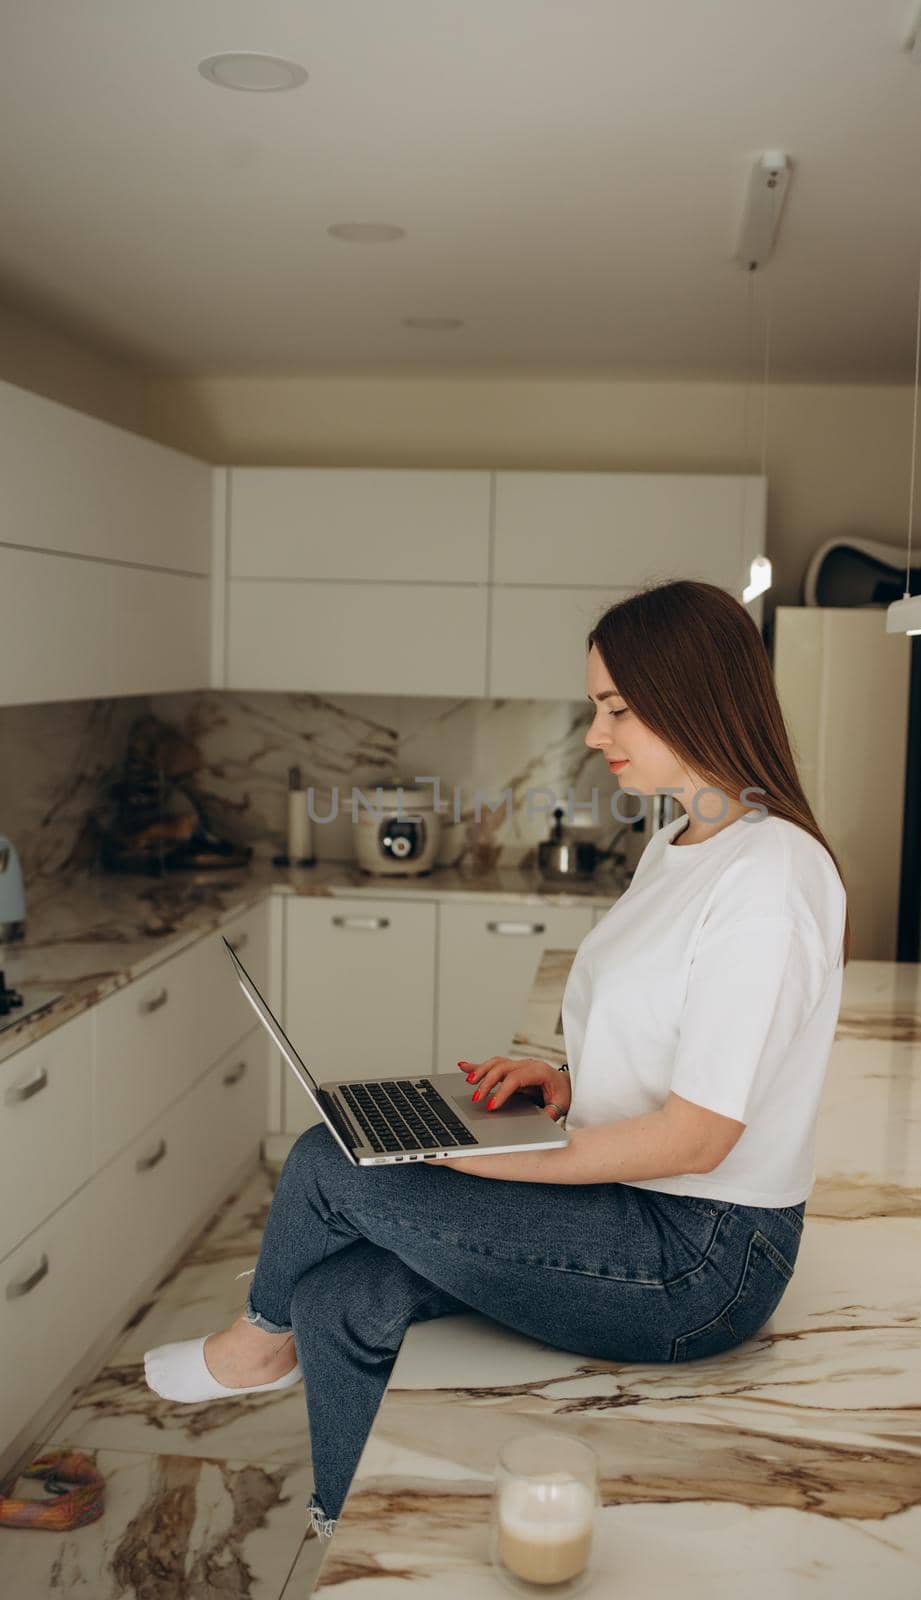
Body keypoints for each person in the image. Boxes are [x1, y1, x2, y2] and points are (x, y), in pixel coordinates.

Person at [144, 578, 850, 1539]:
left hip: (704, 1260)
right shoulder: (682, 841)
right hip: (639, 1205)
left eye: (616, 708)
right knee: (340, 1295)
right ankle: (342, 1523)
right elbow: (683, 1043)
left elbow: (699, 1135)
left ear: (694, 695)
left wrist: (504, 1159)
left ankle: (253, 1345)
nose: (597, 734)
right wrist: (565, 1085)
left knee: (325, 1161)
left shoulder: (771, 879)